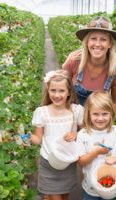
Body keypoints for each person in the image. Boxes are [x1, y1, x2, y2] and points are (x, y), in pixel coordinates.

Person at [31, 69, 84, 200]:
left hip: (67, 161)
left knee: (65, 194)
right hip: (48, 161)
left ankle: (48, 197)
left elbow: (86, 132)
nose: (57, 95)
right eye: (53, 90)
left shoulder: (76, 111)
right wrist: (27, 137)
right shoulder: (42, 112)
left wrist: (76, 135)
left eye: (61, 91)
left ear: (69, 92)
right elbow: (38, 139)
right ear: (48, 91)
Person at [62, 16, 116, 110]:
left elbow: (115, 102)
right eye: (93, 38)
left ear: (110, 44)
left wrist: (106, 122)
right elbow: (60, 90)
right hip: (72, 118)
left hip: (97, 121)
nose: (97, 44)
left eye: (103, 39)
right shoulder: (75, 60)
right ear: (87, 42)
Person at [76, 91, 116, 200]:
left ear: (111, 113)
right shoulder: (83, 134)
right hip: (91, 188)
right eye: (96, 114)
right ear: (89, 114)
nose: (100, 118)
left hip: (111, 185)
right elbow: (81, 161)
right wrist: (96, 152)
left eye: (105, 114)